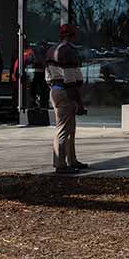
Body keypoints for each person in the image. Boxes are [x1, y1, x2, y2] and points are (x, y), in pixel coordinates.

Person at [46, 23, 88, 174]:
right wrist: (79, 103)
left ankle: (72, 160)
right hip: (66, 92)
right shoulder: (68, 51)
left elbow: (48, 76)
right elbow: (70, 81)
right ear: (72, 35)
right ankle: (61, 164)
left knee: (70, 129)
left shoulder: (51, 50)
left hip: (56, 90)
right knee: (63, 129)